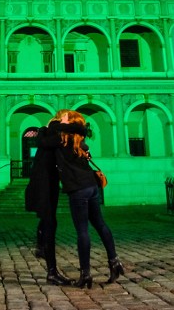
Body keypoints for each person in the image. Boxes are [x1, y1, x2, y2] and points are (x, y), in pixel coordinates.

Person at [41, 109, 124, 288]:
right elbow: (80, 131)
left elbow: (42, 140)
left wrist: (47, 125)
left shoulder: (61, 138)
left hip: (77, 189)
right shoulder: (80, 140)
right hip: (92, 186)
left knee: (82, 231)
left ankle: (85, 274)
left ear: (68, 121)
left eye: (62, 116)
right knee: (101, 224)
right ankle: (114, 261)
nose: (58, 117)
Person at [24, 124, 71, 285]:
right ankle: (52, 271)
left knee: (49, 222)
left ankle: (41, 246)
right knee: (50, 224)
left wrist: (43, 130)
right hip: (45, 188)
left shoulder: (46, 142)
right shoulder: (54, 140)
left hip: (47, 187)